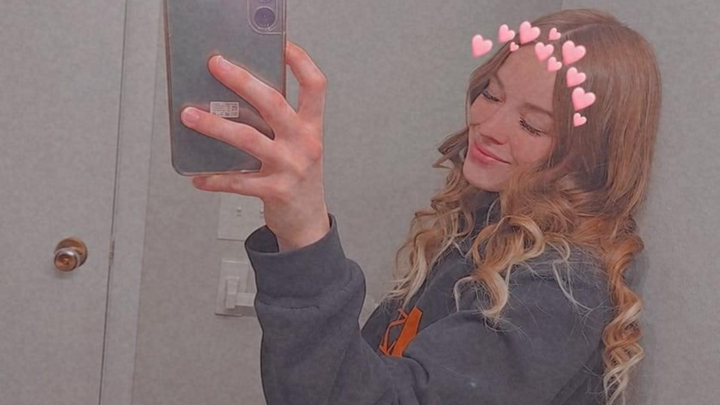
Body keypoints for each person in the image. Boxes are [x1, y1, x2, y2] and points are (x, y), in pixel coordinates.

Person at [180, 7, 661, 405]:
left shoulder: (558, 289)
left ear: (590, 158)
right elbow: (338, 379)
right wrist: (293, 234)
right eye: (490, 94)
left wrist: (307, 235)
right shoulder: (479, 232)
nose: (488, 126)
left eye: (532, 125)